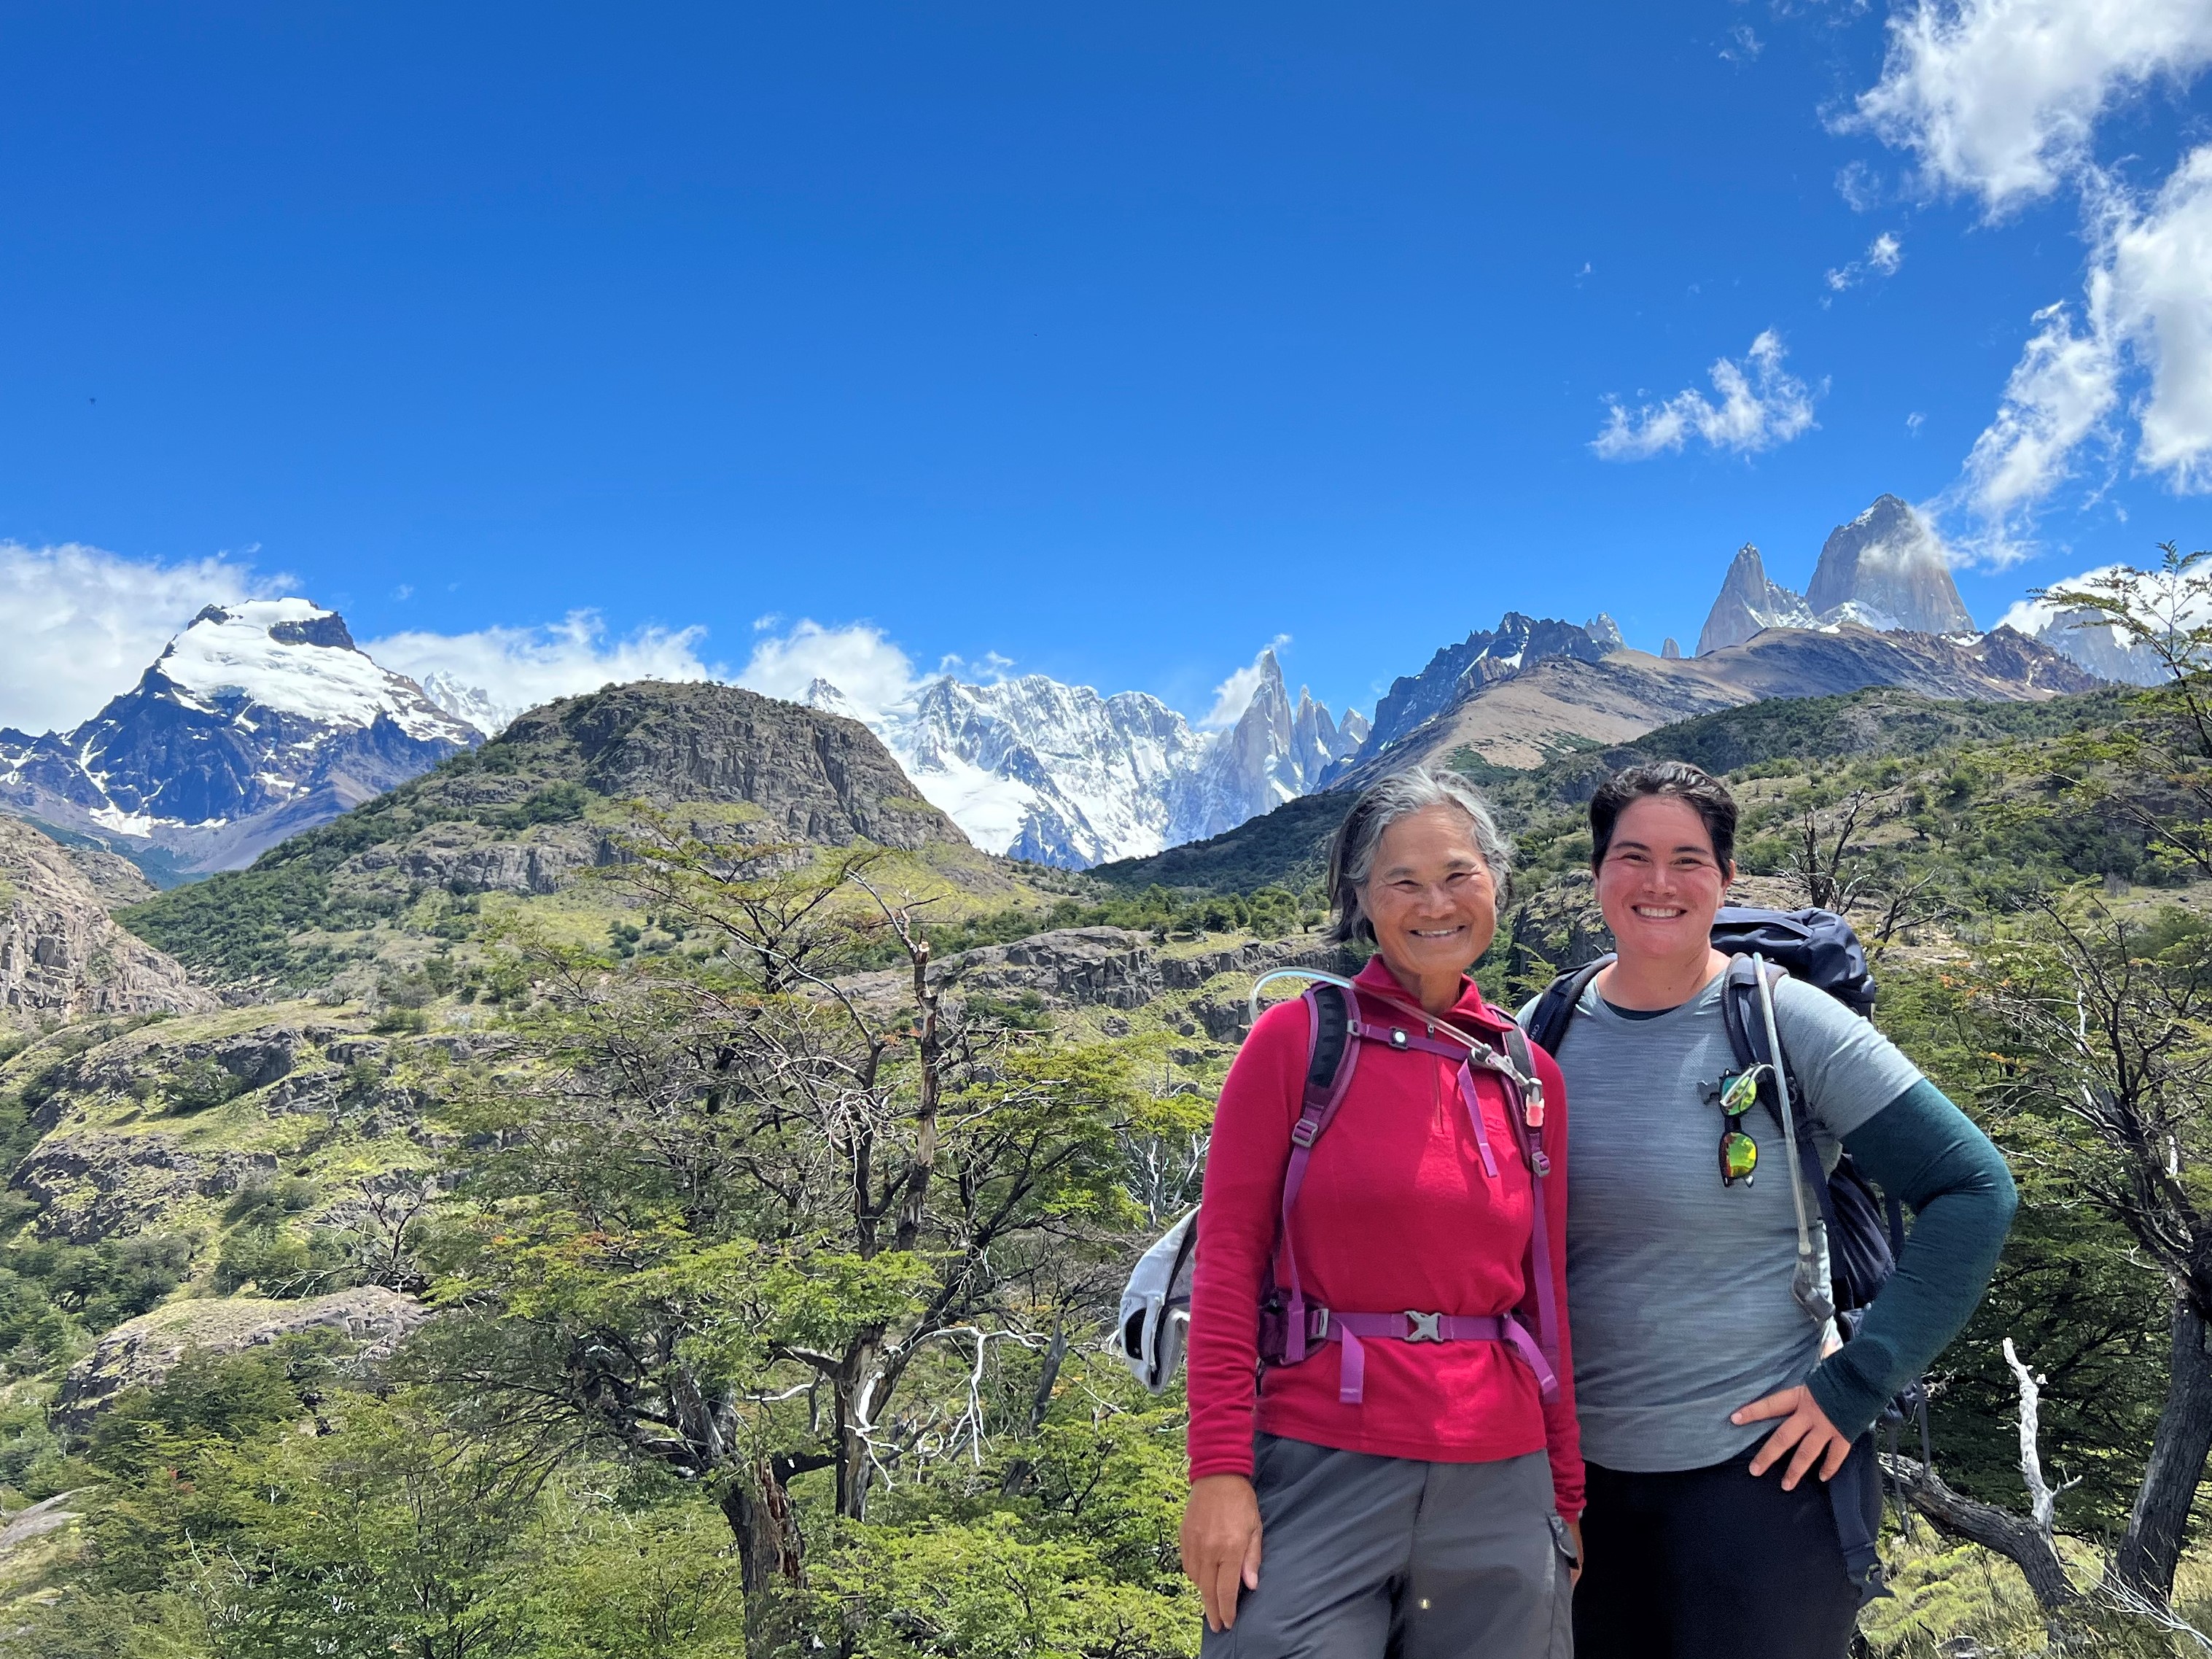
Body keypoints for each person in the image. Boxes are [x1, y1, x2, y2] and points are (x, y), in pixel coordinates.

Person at [1529, 761, 2017, 1659]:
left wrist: (1856, 1384)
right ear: (1596, 873)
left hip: (1763, 1487)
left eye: (1688, 859)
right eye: (1632, 856)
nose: (1659, 882)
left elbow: (1973, 1186)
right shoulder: (1540, 1032)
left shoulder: (1786, 1021)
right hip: (1574, 1490)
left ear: (1724, 877)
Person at [1181, 766, 1582, 1658]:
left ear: (1494, 880)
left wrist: (1564, 1496)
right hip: (1318, 1459)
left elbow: (1545, 1302)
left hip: (1502, 1475)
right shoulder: (1296, 1041)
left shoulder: (1530, 1078)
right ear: (1361, 898)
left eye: (1457, 874)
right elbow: (1227, 1268)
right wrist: (1218, 1473)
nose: (1434, 903)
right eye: (1403, 881)